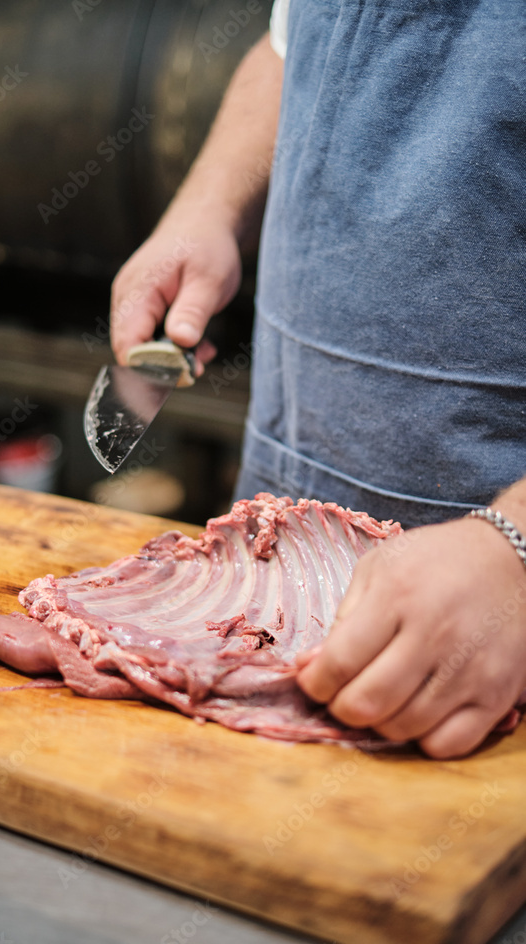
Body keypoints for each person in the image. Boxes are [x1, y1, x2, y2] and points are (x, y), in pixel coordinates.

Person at [109, 0, 526, 759]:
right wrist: (207, 205)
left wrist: (515, 550)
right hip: (265, 597)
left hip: (492, 653)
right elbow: (292, 39)